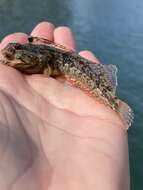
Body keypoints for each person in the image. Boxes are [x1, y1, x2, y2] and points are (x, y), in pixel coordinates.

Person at [0, 21, 130, 190]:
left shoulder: (37, 58)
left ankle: (114, 105)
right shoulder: (35, 56)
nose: (6, 58)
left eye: (11, 54)